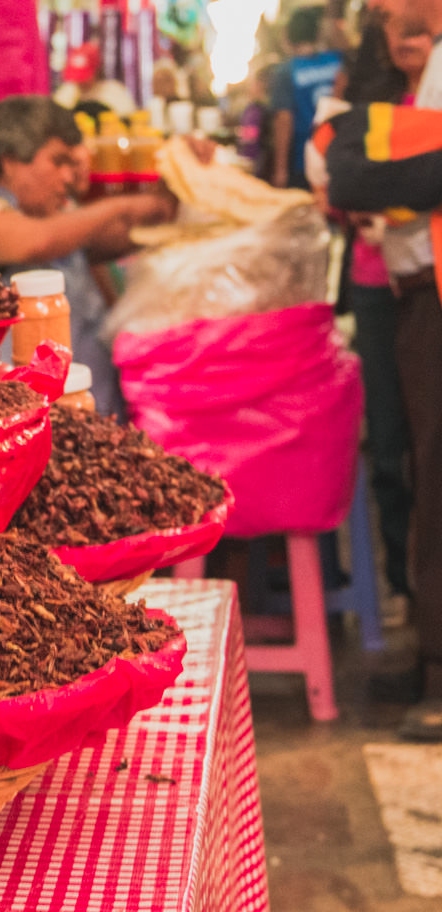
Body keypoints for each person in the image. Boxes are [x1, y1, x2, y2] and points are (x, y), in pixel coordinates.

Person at [320, 0, 442, 739]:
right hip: (413, 296)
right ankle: (431, 654)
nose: (388, 13)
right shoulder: (403, 76)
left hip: (431, 294)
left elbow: (384, 176)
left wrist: (383, 169)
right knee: (423, 472)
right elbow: (346, 172)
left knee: (437, 476)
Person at [0, 95, 175, 418]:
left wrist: (170, 195)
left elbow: (121, 239)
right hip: (31, 417)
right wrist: (125, 205)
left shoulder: (61, 216)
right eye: (58, 162)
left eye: (73, 164)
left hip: (92, 409)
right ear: (10, 160)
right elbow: (36, 243)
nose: (69, 177)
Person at [270, 5, 344, 189]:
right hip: (338, 155)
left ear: (288, 36)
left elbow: (284, 119)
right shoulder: (337, 61)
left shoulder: (286, 71)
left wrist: (280, 170)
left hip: (303, 160)